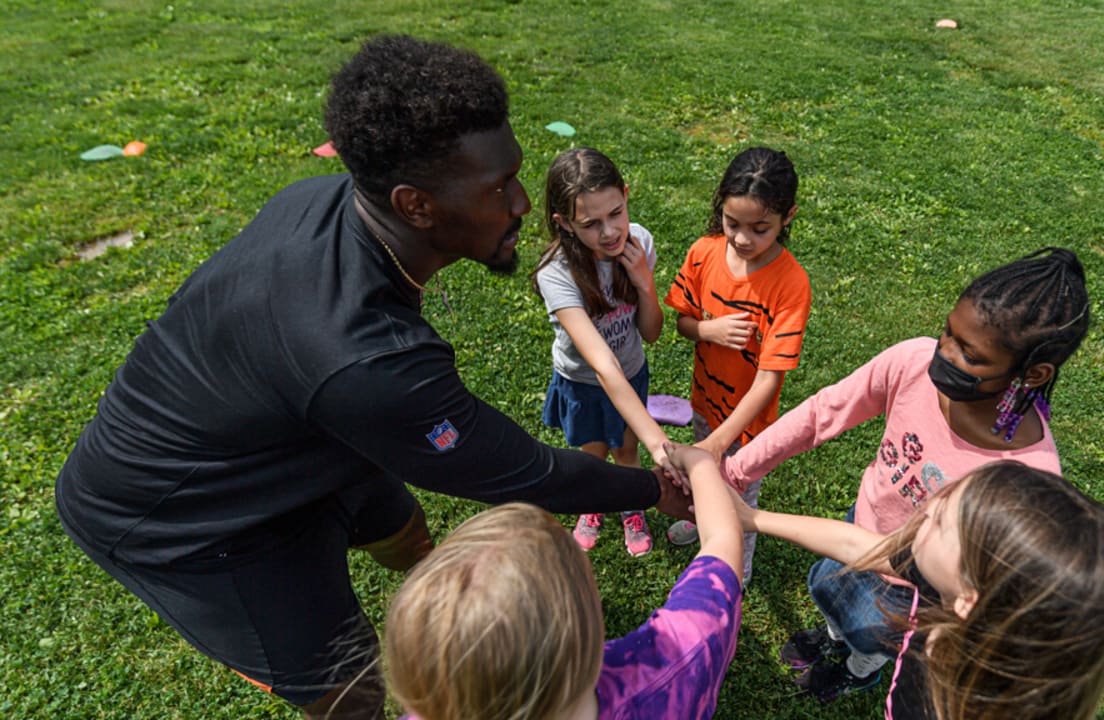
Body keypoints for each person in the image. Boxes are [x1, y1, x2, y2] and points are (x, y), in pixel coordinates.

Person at [54, 36, 688, 720]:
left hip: (303, 431)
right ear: (416, 205)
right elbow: (525, 473)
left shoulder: (328, 204)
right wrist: (656, 488)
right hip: (189, 519)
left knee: (407, 533)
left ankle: (458, 638)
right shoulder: (370, 362)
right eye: (497, 188)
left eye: (515, 176)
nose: (521, 205)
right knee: (351, 691)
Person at [721, 247, 1091, 699]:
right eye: (947, 334)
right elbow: (823, 414)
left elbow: (947, 577)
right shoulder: (913, 361)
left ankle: (860, 669)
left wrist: (750, 514)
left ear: (1033, 374)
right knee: (833, 598)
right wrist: (736, 472)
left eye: (970, 356)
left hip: (912, 589)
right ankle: (835, 637)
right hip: (858, 526)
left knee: (870, 635)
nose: (944, 355)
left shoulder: (1025, 480)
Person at [732, 460, 1104, 720]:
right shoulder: (961, 585)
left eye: (942, 519)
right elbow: (861, 547)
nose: (925, 507)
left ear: (970, 599)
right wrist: (753, 518)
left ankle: (855, 675)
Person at [384, 441, 743, 720]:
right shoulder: (668, 667)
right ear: (587, 624)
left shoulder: (435, 707)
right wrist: (700, 465)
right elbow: (721, 543)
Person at [662, 147, 813, 586]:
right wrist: (708, 332)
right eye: (733, 224)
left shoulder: (791, 285)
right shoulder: (703, 253)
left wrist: (720, 441)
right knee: (700, 479)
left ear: (788, 217)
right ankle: (698, 520)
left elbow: (769, 378)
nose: (743, 238)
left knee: (737, 498)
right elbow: (684, 321)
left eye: (759, 228)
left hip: (748, 427)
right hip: (704, 402)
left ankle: (733, 576)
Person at [534, 148, 670, 557]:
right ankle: (592, 506)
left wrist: (644, 283)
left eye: (617, 212)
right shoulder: (555, 272)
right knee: (592, 455)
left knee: (627, 452)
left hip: (631, 372)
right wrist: (660, 443)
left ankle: (631, 507)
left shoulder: (639, 242)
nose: (610, 232)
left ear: (626, 196)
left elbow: (652, 333)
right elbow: (602, 365)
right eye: (591, 224)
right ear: (565, 224)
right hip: (583, 384)